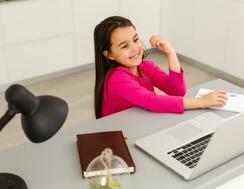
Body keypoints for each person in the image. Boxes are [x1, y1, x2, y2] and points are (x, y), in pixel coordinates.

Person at [93, 16, 227, 119]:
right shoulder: (117, 78)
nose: (135, 48)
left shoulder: (145, 67)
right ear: (109, 54)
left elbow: (177, 91)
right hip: (122, 132)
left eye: (135, 40)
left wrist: (170, 52)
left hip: (142, 121)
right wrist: (201, 102)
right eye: (124, 46)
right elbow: (151, 101)